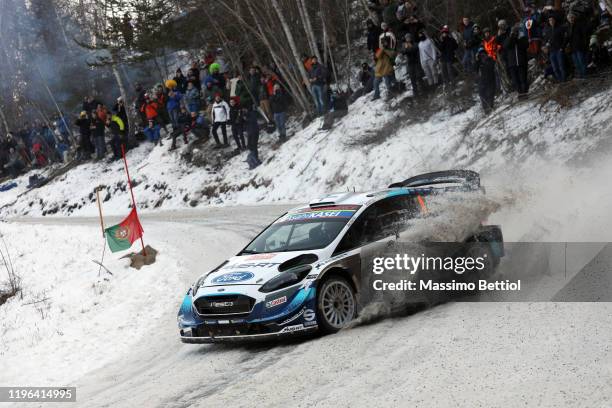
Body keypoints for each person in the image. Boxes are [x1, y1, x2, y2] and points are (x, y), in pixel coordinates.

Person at [504, 24, 530, 96]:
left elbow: (525, 45)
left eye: (516, 31)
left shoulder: (522, 38)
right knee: (516, 80)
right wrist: (512, 37)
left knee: (523, 78)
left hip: (521, 62)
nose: (515, 33)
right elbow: (506, 45)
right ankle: (520, 93)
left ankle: (524, 92)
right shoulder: (508, 38)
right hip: (512, 63)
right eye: (513, 32)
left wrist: (518, 39)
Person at [546, 15, 568, 82]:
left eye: (552, 20)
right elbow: (546, 39)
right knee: (555, 68)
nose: (551, 21)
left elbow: (565, 38)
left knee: (561, 66)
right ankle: (559, 80)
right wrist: (546, 43)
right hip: (551, 51)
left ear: (554, 20)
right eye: (550, 20)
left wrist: (562, 47)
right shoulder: (548, 30)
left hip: (559, 50)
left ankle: (564, 80)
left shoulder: (559, 28)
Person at [567, 12, 589, 78]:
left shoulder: (579, 25)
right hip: (573, 48)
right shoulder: (568, 27)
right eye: (569, 18)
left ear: (574, 18)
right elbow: (567, 38)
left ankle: (584, 75)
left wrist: (584, 43)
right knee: (576, 63)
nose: (571, 19)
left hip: (580, 47)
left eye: (572, 17)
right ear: (568, 19)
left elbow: (584, 35)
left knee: (582, 61)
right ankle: (580, 75)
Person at [475, 48, 497, 113]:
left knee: (490, 93)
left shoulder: (490, 59)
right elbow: (474, 69)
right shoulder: (478, 62)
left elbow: (492, 66)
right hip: (482, 80)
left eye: (483, 53)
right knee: (483, 94)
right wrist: (477, 60)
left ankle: (490, 107)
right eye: (481, 54)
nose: (482, 55)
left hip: (490, 78)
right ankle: (486, 109)